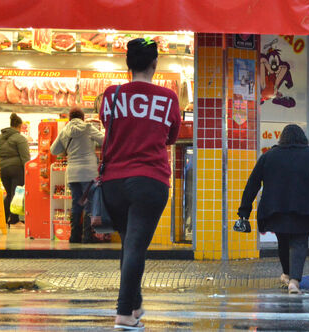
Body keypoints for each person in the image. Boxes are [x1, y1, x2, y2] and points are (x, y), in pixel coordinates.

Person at [100, 38, 181, 330]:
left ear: (127, 64)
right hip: (150, 180)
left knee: (129, 243)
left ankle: (134, 305)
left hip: (113, 181)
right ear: (154, 64)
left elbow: (107, 126)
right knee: (136, 245)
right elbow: (172, 136)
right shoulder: (168, 98)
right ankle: (124, 314)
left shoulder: (111, 94)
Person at [237, 124, 309, 295]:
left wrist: (244, 211)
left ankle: (287, 274)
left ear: (282, 138)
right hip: (305, 209)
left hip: (276, 209)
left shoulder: (269, 156)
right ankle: (294, 281)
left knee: (283, 242)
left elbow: (252, 183)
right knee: (299, 243)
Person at [50, 108, 104, 243]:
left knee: (76, 204)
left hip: (72, 174)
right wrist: (92, 142)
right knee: (89, 204)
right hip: (88, 173)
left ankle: (74, 236)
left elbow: (54, 150)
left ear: (70, 118)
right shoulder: (88, 128)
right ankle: (87, 236)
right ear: (82, 118)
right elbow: (104, 140)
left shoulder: (64, 131)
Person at [0, 113, 29, 226]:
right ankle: (14, 220)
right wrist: (28, 171)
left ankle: (3, 219)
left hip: (4, 169)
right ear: (19, 126)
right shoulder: (20, 138)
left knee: (9, 194)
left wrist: (2, 163)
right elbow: (25, 158)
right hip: (17, 169)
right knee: (16, 194)